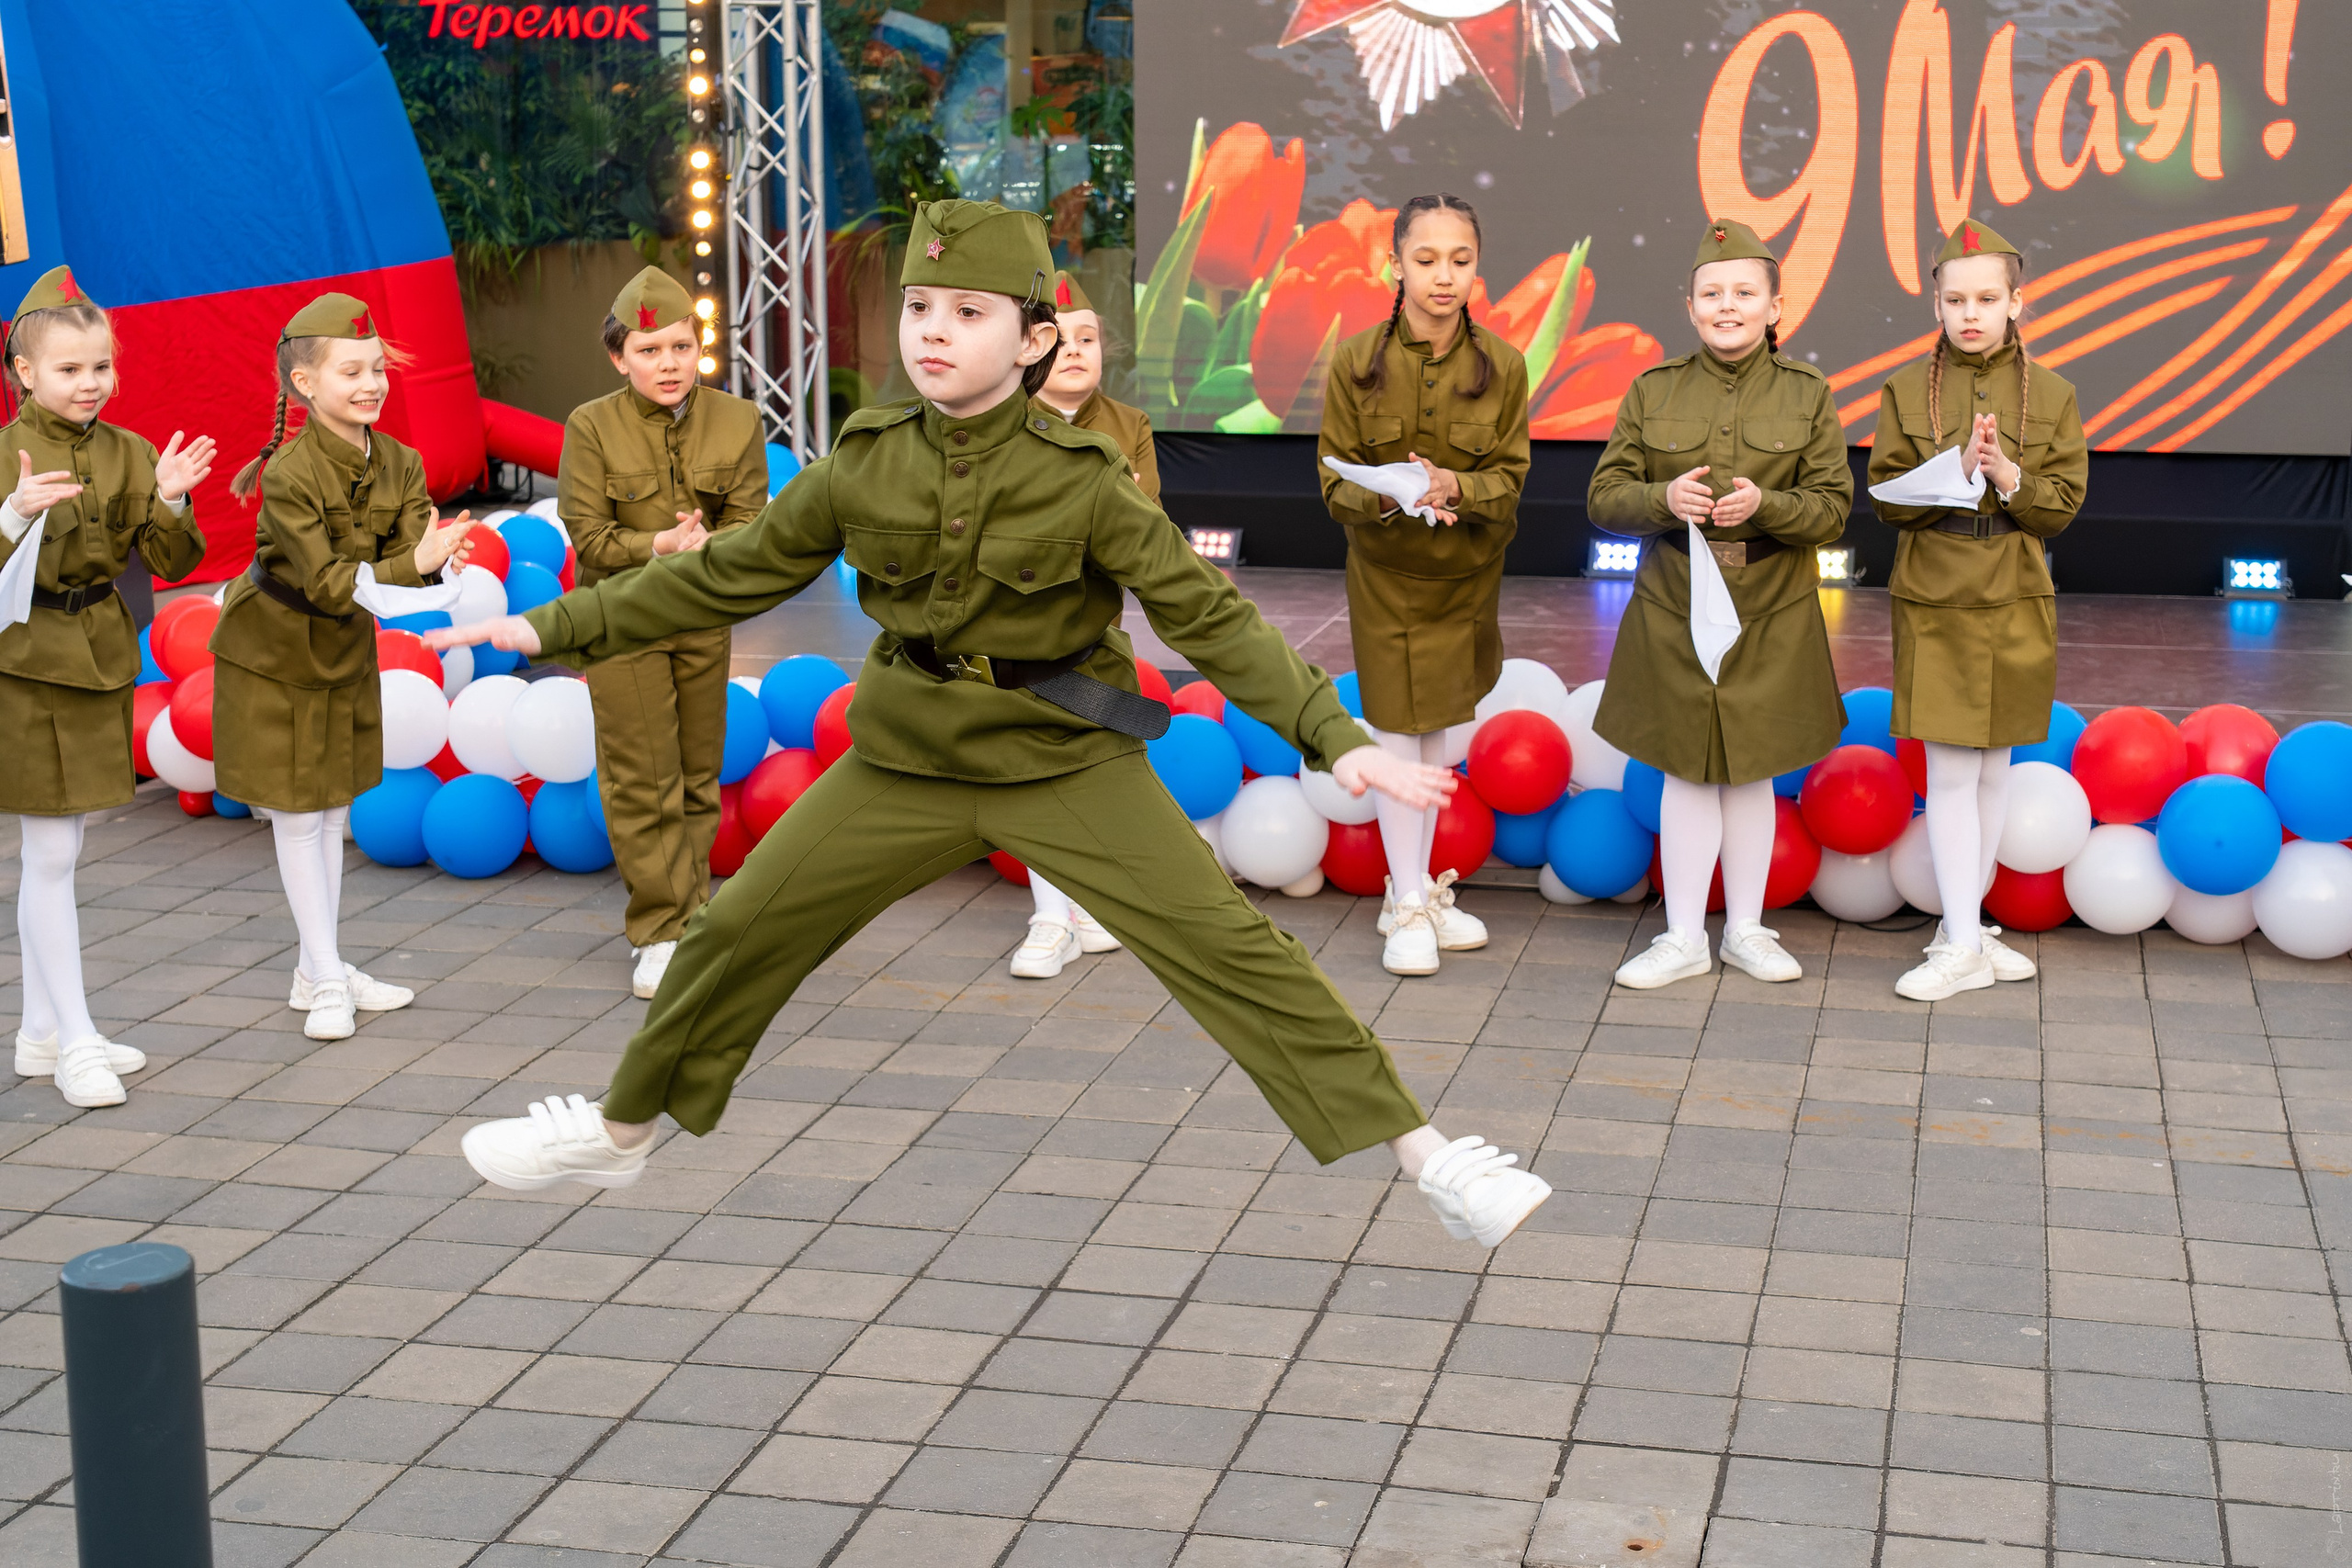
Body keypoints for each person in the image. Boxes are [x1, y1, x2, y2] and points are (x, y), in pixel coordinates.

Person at [434, 198, 1551, 1250]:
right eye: (920, 306)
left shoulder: (1087, 478)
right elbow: (728, 574)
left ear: (1032, 343)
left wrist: (1333, 735)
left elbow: (1204, 615)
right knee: (738, 933)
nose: (933, 330)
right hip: (907, 753)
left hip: (1058, 754)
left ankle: (1431, 1160)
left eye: (968, 312)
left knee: (1231, 949)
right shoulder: (865, 458)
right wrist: (552, 626)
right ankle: (620, 1133)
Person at [1588, 220, 1850, 988]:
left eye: (1743, 292)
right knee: (1686, 773)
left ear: (1775, 306)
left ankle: (1745, 930)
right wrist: (1663, 499)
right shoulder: (1653, 389)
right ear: (1690, 307)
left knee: (1751, 772)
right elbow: (1605, 496)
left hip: (1771, 608)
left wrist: (1768, 505)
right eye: (1711, 293)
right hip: (1675, 602)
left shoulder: (1808, 394)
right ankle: (1681, 938)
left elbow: (1833, 508)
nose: (1727, 306)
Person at [214, 295, 476, 1043]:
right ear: (304, 385)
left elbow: (417, 561)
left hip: (341, 645)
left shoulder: (401, 461)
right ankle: (327, 974)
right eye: (351, 371)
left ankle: (316, 966)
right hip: (275, 651)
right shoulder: (290, 473)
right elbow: (331, 582)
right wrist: (416, 561)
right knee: (300, 815)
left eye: (377, 369)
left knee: (332, 810)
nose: (371, 384)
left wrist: (439, 561)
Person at [0, 265, 211, 1108]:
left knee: (57, 853)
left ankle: (40, 1033)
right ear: (24, 373)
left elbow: (171, 560)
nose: (89, 382)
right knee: (52, 852)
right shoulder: (4, 454)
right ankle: (77, 1037)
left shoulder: (129, 451)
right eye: (68, 368)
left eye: (101, 366)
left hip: (98, 657)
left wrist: (170, 500)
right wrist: (13, 514)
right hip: (23, 666)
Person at [1869, 219, 2085, 1000]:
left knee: (1994, 770)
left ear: (2016, 301)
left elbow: (2061, 507)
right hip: (1937, 593)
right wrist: (1958, 471)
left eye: (1987, 299)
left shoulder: (2054, 393)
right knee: (1954, 773)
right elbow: (1887, 499)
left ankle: (1967, 929)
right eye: (1956, 299)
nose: (1971, 313)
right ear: (1936, 304)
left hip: (2017, 592)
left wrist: (2008, 475)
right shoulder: (1904, 390)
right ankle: (1961, 941)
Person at [1317, 193, 1529, 977]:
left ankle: (1416, 892)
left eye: (1460, 260)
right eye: (1426, 259)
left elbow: (1509, 482)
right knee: (1396, 731)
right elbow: (1333, 486)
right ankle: (1408, 901)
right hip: (1386, 577)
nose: (1444, 276)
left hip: (1464, 580)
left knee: (1433, 730)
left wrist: (1453, 486)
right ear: (1395, 265)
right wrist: (1391, 494)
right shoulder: (1354, 361)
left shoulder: (1504, 365)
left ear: (1477, 267)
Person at [558, 267, 767, 999]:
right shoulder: (590, 426)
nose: (669, 363)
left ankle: (692, 918)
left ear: (701, 348)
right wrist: (661, 546)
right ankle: (658, 930)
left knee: (698, 773)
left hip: (701, 615)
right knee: (643, 778)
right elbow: (588, 536)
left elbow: (751, 520)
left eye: (682, 346)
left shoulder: (738, 419)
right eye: (649, 351)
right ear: (620, 358)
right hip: (622, 619)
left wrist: (714, 545)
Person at [1006, 267, 1154, 978]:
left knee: (1091, 762)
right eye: (1059, 339)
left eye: (1088, 339)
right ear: (1030, 349)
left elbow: (1145, 533)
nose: (1075, 351)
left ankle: (1087, 901)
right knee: (1034, 765)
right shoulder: (1003, 423)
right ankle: (1050, 917)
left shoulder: (1130, 428)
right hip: (1019, 634)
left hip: (1096, 634)